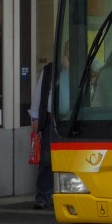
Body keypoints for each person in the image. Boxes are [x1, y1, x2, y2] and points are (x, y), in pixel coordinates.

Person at [29, 47, 69, 210]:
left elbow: (98, 66)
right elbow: (40, 94)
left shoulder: (81, 69)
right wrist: (35, 117)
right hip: (51, 120)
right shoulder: (50, 71)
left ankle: (67, 193)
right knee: (47, 160)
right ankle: (43, 196)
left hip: (71, 122)